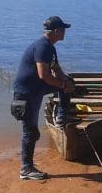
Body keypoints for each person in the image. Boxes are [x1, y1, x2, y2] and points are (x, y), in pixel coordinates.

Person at [13, 16, 75, 180]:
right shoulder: (42, 47)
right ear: (56, 31)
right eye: (63, 29)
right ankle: (26, 169)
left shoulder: (50, 48)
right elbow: (44, 75)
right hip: (26, 93)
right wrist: (62, 85)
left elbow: (57, 71)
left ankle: (61, 117)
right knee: (31, 132)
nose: (64, 32)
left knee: (66, 82)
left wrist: (67, 83)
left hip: (36, 89)